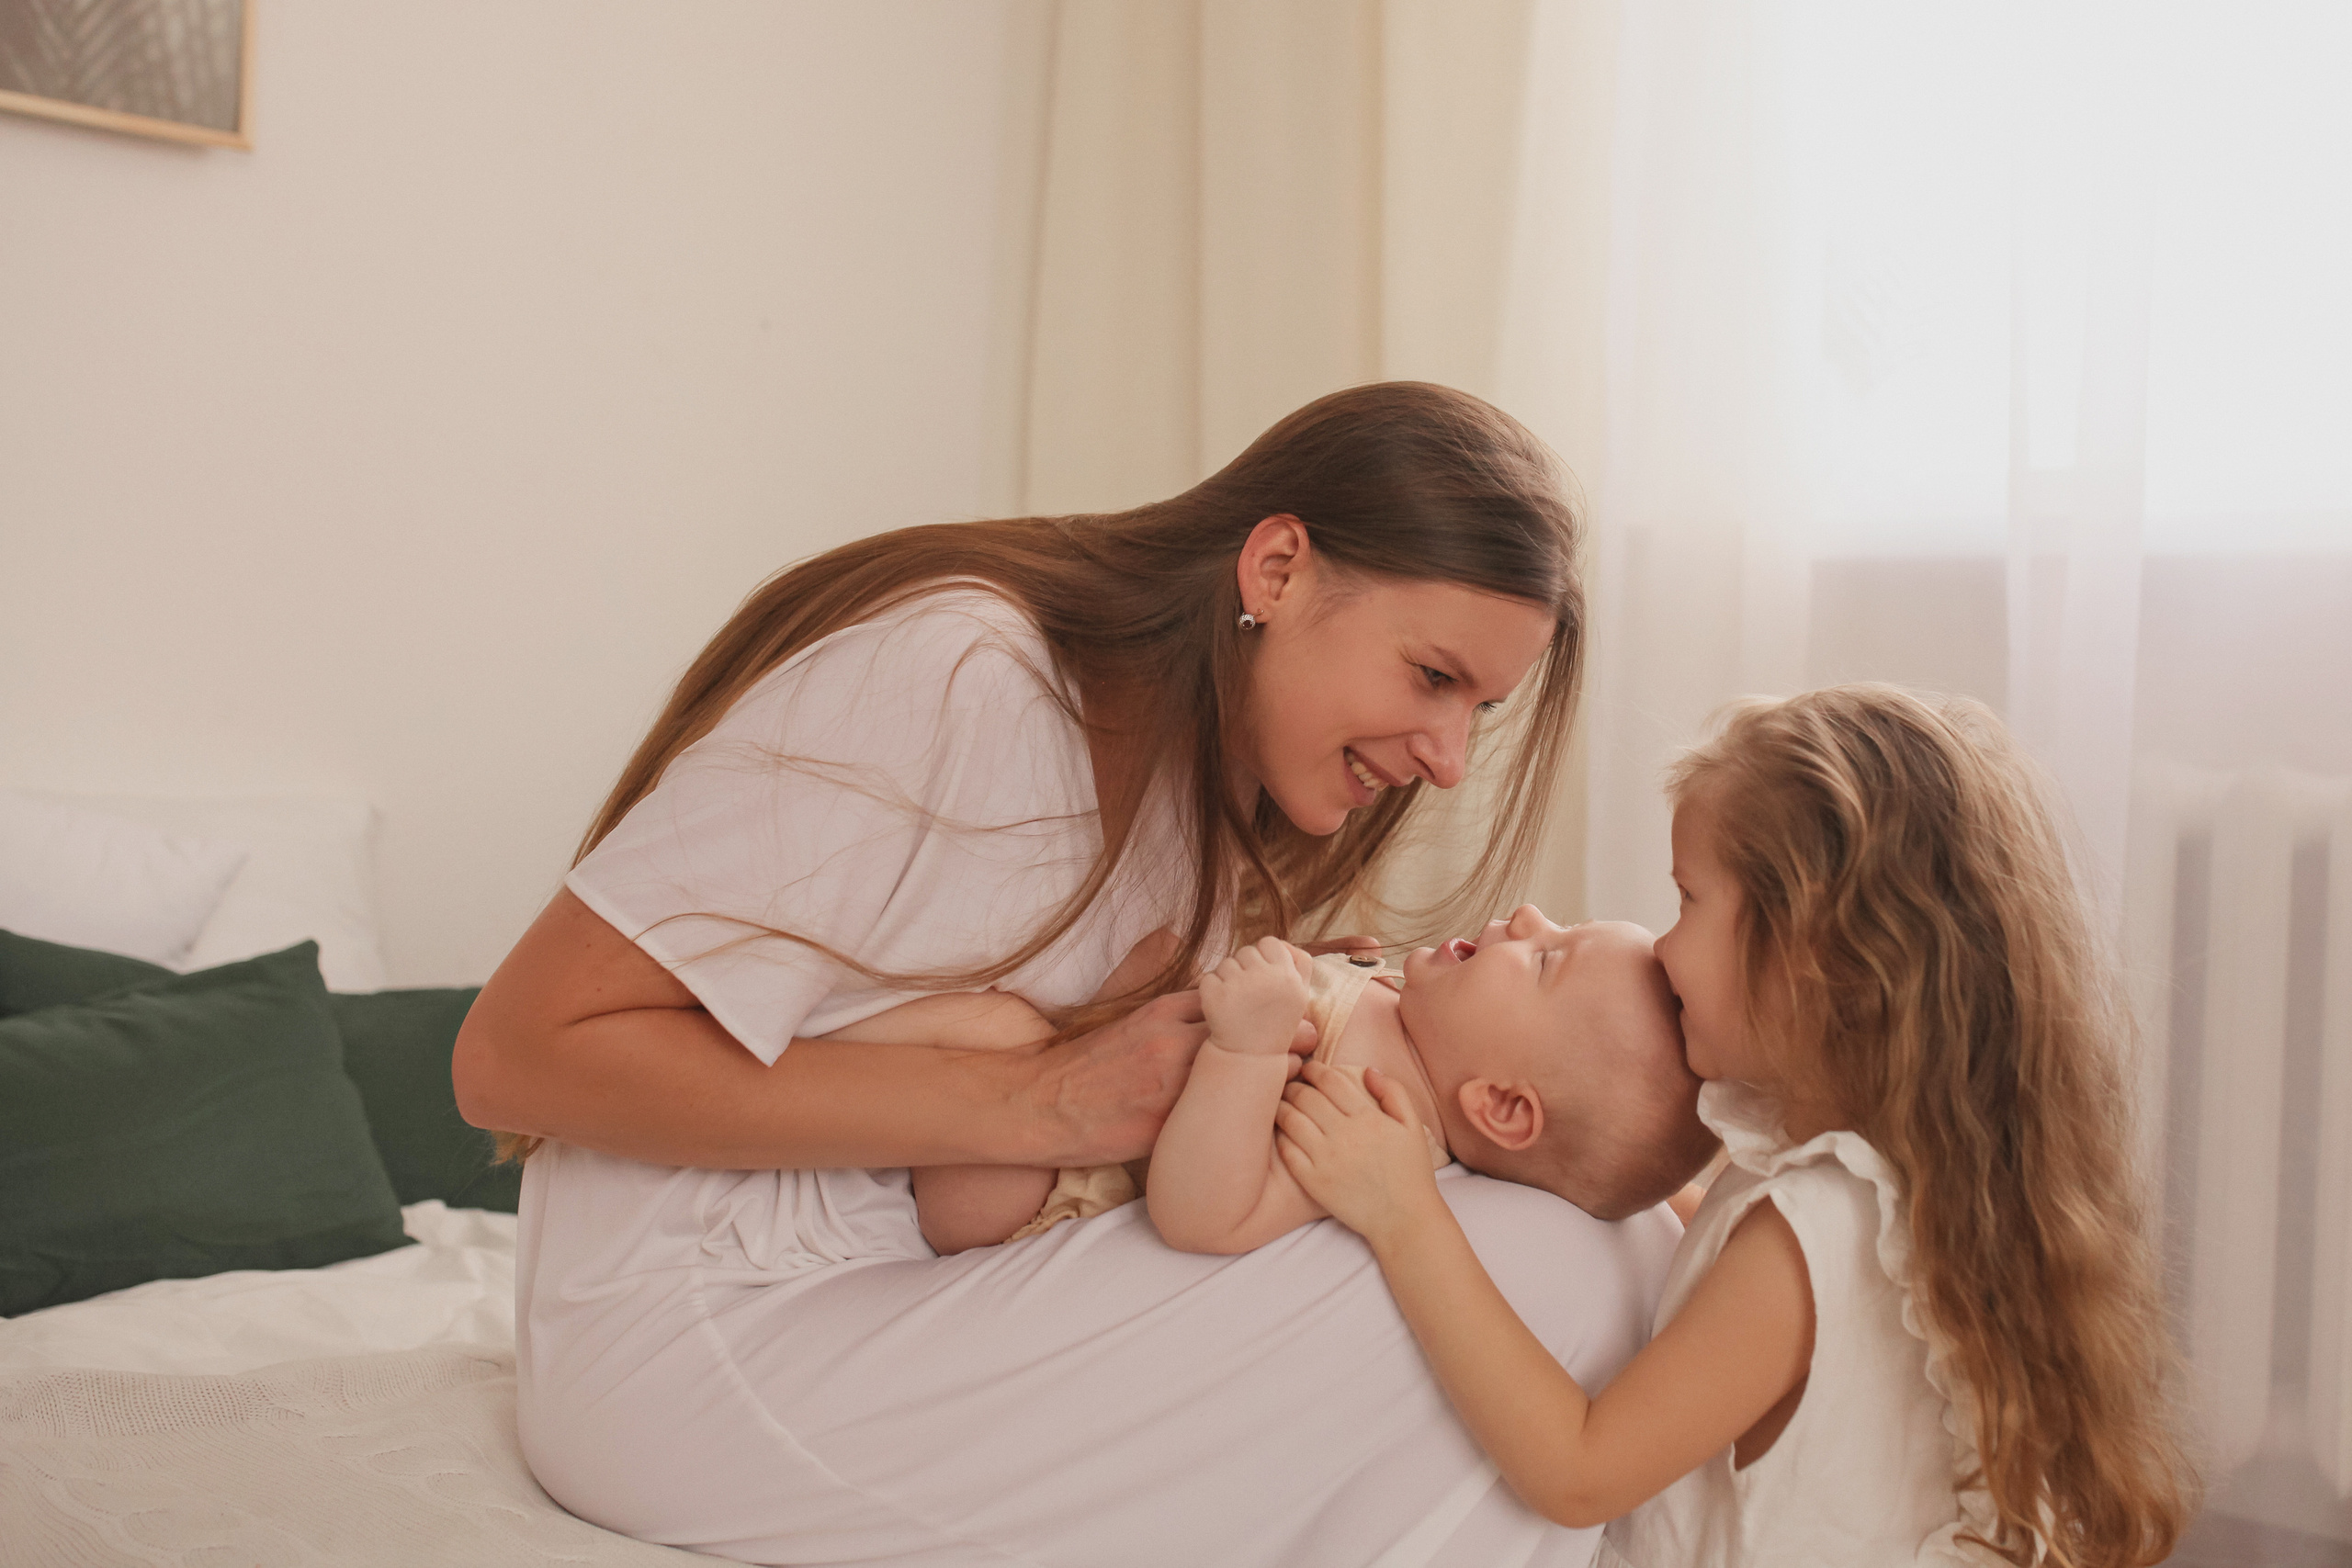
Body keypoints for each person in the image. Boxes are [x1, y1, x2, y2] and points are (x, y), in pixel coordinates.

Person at [453, 383, 1685, 1567]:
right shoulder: (961, 671)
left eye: (1479, 707)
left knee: (1594, 1243)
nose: (1453, 758)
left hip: (907, 1278)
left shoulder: (1200, 784)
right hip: (695, 1334)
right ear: (1277, 570)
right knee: (1556, 1275)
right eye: (1434, 677)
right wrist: (1036, 1099)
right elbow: (510, 1058)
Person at [1274, 684, 2196, 1566]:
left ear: (1810, 954)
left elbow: (1579, 1471)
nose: (1663, 946)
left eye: (1688, 900)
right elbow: (1654, 1190)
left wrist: (1402, 1212)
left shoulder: (1805, 1238)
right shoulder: (1877, 1176)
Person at [1144, 914, 1716, 1254]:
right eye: (1561, 923)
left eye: (1544, 960)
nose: (1527, 916)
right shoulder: (1413, 1020)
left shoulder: (1373, 1123)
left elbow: (1207, 1216)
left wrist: (1246, 1049)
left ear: (1502, 1104)